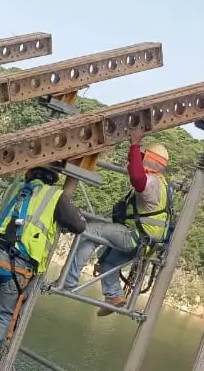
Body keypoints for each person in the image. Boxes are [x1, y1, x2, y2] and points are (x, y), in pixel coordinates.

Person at [0, 166, 86, 371]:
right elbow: (78, 226)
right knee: (5, 315)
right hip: (19, 265)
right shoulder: (54, 196)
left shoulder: (14, 188)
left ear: (28, 174)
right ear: (51, 180)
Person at [63, 129, 171, 316]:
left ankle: (68, 281)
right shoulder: (163, 184)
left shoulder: (151, 183)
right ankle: (114, 295)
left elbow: (137, 177)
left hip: (136, 237)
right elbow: (134, 170)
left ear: (149, 160)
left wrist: (135, 144)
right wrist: (133, 151)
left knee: (88, 231)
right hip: (146, 243)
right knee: (108, 262)